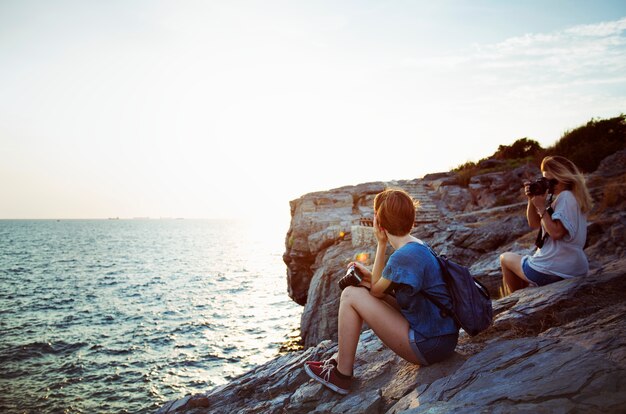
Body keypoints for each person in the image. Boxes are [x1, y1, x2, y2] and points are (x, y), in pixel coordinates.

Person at [303, 189, 459, 395]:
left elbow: (376, 291)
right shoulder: (420, 246)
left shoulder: (403, 256)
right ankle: (340, 358)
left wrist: (381, 242)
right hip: (443, 337)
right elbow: (389, 292)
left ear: (379, 224)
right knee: (363, 288)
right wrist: (370, 279)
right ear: (412, 221)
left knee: (350, 294)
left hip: (430, 344)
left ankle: (341, 374)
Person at [500, 155, 593, 295]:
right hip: (573, 267)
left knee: (505, 258)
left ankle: (518, 299)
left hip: (553, 270)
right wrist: (532, 199)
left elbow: (556, 233)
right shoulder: (575, 197)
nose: (550, 186)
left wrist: (542, 208)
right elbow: (534, 223)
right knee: (522, 261)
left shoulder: (566, 197)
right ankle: (523, 296)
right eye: (546, 181)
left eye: (553, 182)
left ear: (564, 177)